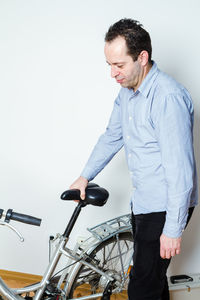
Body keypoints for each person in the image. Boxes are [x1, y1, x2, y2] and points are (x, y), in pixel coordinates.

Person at [70, 18, 198, 300]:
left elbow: (180, 170)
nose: (113, 74)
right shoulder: (127, 93)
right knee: (151, 279)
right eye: (109, 66)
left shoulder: (167, 97)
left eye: (119, 65)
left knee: (141, 288)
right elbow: (112, 136)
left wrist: (173, 230)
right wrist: (85, 176)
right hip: (144, 201)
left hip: (165, 205)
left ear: (142, 57)